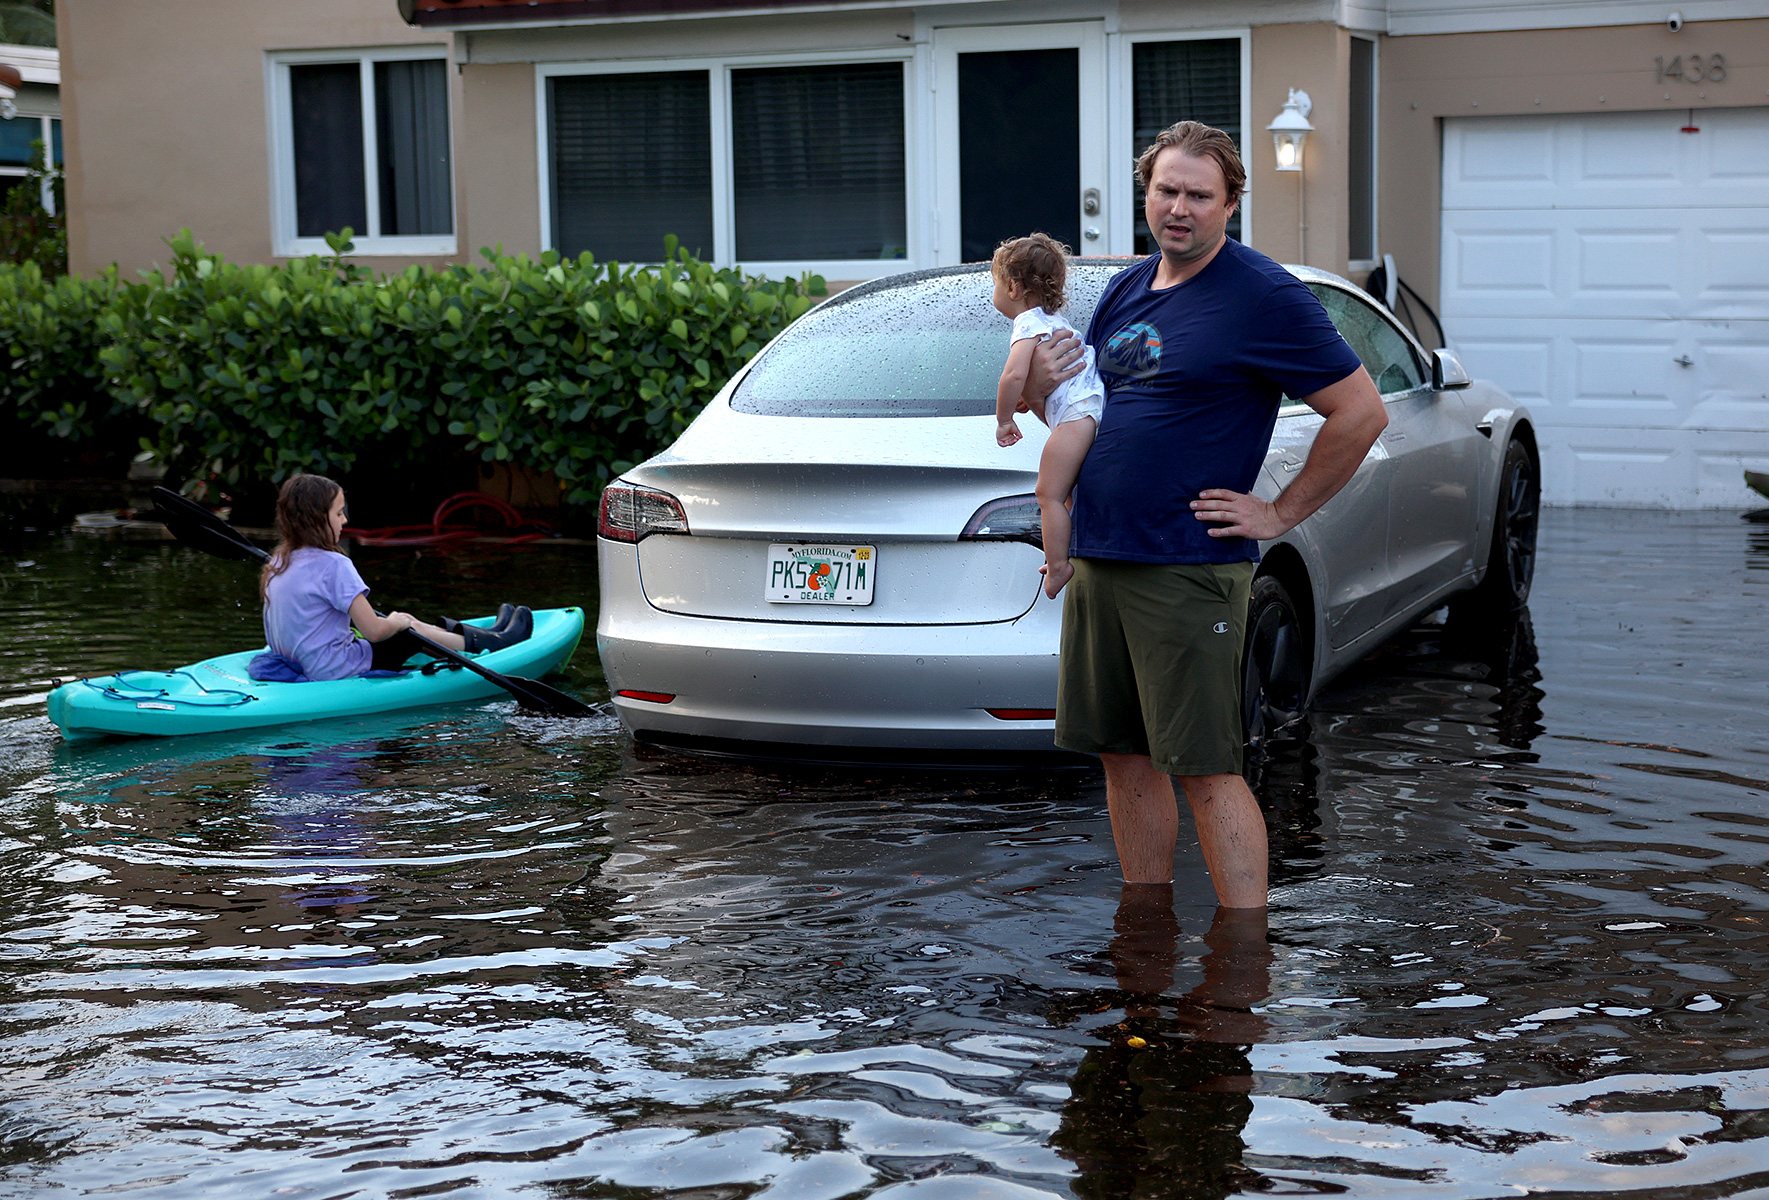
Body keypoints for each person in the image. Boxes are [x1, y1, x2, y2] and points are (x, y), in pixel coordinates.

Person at [1026, 121, 1387, 909]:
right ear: (1144, 193)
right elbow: (1091, 409)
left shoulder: (1262, 295)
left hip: (1187, 565)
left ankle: (1241, 959)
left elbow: (1359, 413)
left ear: (1230, 204)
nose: (1178, 208)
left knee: (1204, 765)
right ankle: (1146, 932)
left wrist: (1277, 512)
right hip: (1103, 556)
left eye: (1198, 194)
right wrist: (1032, 387)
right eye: (1165, 190)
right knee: (1121, 755)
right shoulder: (1126, 288)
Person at [257, 473, 532, 681]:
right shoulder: (334, 565)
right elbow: (374, 632)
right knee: (406, 631)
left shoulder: (277, 562)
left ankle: (485, 635)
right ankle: (492, 644)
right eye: (339, 513)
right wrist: (397, 622)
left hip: (300, 662)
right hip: (332, 669)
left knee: (403, 621)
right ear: (317, 520)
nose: (344, 521)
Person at [989, 233, 1107, 598]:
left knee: (1048, 493)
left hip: (1078, 416)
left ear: (1012, 286)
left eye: (994, 283)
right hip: (1087, 410)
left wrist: (1004, 418)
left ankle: (1058, 567)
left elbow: (1013, 375)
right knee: (1065, 492)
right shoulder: (1055, 321)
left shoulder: (1027, 324)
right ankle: (1066, 549)